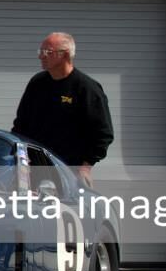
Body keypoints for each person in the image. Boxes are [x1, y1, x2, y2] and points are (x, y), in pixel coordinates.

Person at [12, 32, 113, 188]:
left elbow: (103, 134)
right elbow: (21, 125)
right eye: (40, 52)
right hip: (34, 170)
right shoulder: (37, 83)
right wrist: (19, 159)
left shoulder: (86, 88)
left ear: (64, 55)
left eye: (47, 52)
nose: (41, 56)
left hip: (69, 172)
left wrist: (86, 167)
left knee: (67, 211)